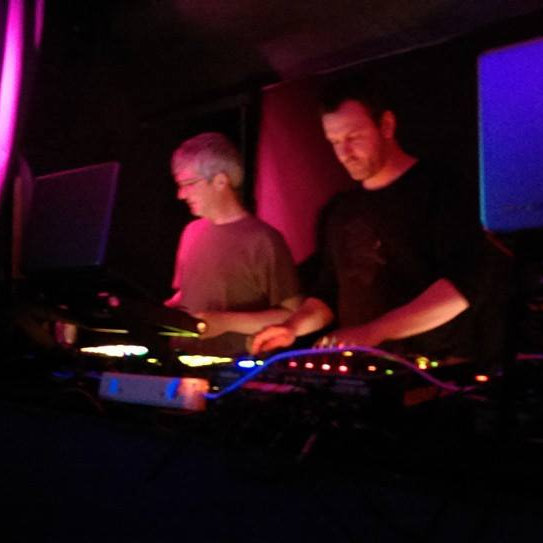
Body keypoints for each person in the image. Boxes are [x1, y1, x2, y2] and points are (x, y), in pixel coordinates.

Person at [251, 76, 493, 362]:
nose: (344, 154)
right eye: (334, 142)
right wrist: (291, 327)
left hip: (434, 370)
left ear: (386, 125)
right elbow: (327, 295)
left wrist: (375, 331)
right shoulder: (338, 211)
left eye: (353, 138)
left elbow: (463, 287)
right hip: (365, 368)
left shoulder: (443, 189)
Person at [165, 132, 301, 356]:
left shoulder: (264, 240)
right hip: (183, 363)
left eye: (188, 184)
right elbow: (186, 296)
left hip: (238, 368)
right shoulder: (190, 233)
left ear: (221, 180)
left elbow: (292, 315)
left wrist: (226, 322)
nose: (181, 194)